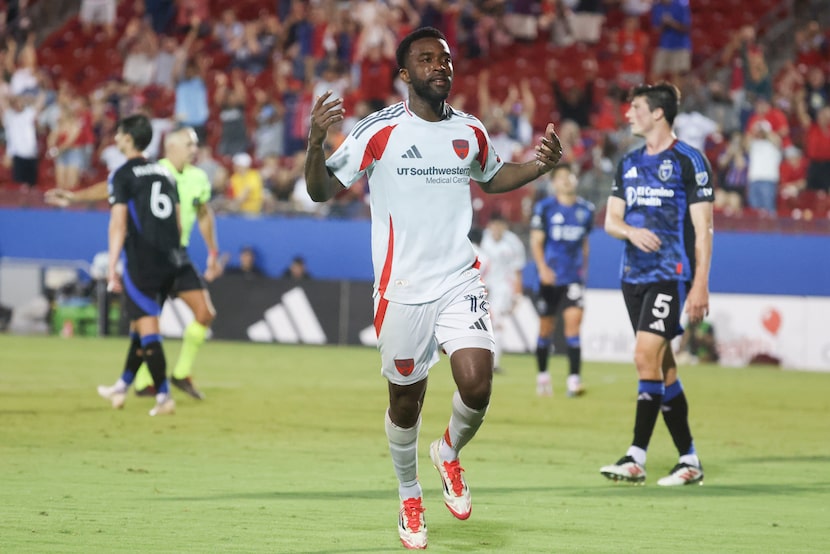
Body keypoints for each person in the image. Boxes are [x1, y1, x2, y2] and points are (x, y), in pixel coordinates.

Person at [304, 27, 563, 550]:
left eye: (444, 58)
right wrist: (315, 144)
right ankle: (408, 492)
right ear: (405, 74)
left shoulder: (470, 129)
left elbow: (491, 177)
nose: (440, 66)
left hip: (458, 278)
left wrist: (540, 165)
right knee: (406, 403)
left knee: (477, 384)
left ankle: (447, 452)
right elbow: (319, 190)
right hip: (401, 290)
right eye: (426, 59)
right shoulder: (378, 131)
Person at [47, 127, 222, 401]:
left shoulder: (199, 177)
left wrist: (212, 251)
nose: (194, 149)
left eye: (195, 145)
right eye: (189, 144)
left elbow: (203, 214)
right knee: (144, 323)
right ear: (171, 147)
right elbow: (111, 187)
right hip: (150, 257)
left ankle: (180, 373)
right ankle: (142, 382)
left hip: (179, 255)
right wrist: (75, 196)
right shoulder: (154, 169)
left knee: (204, 313)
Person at [602, 83, 713, 487]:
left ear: (658, 114)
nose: (628, 114)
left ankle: (636, 456)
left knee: (643, 356)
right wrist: (630, 232)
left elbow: (704, 230)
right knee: (661, 367)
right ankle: (689, 460)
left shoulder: (689, 161)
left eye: (635, 108)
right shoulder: (628, 163)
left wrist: (700, 283)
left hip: (671, 273)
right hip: (632, 276)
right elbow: (611, 221)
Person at [94, 114, 188, 416]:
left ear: (128, 139)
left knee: (148, 328)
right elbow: (176, 219)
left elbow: (118, 224)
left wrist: (112, 265)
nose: (116, 139)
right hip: (171, 258)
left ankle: (164, 397)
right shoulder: (164, 172)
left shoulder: (121, 175)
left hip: (142, 259)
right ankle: (122, 385)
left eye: (119, 134)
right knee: (140, 321)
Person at [529, 164, 594, 398]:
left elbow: (585, 242)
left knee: (574, 325)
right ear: (554, 183)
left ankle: (574, 381)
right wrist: (543, 268)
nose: (566, 181)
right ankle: (543, 376)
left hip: (573, 278)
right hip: (550, 278)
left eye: (570, 176)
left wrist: (583, 270)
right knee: (546, 328)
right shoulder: (545, 208)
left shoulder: (586, 210)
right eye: (561, 177)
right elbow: (536, 241)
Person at [477, 213, 525, 374]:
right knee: (481, 324)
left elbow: (517, 270)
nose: (497, 229)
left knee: (496, 323)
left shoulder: (513, 243)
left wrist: (517, 295)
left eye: (500, 226)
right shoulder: (482, 240)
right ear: (489, 226)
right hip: (481, 286)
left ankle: (494, 362)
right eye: (494, 225)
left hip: (501, 289)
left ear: (505, 227)